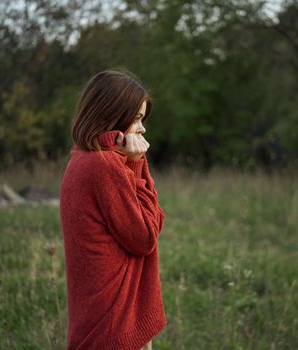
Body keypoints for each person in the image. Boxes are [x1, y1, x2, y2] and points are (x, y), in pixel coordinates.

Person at [59, 70, 167, 350]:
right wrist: (137, 163)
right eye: (137, 118)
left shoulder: (81, 159)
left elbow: (148, 221)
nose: (142, 128)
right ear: (113, 117)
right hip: (115, 321)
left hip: (101, 316)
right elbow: (145, 237)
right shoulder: (104, 166)